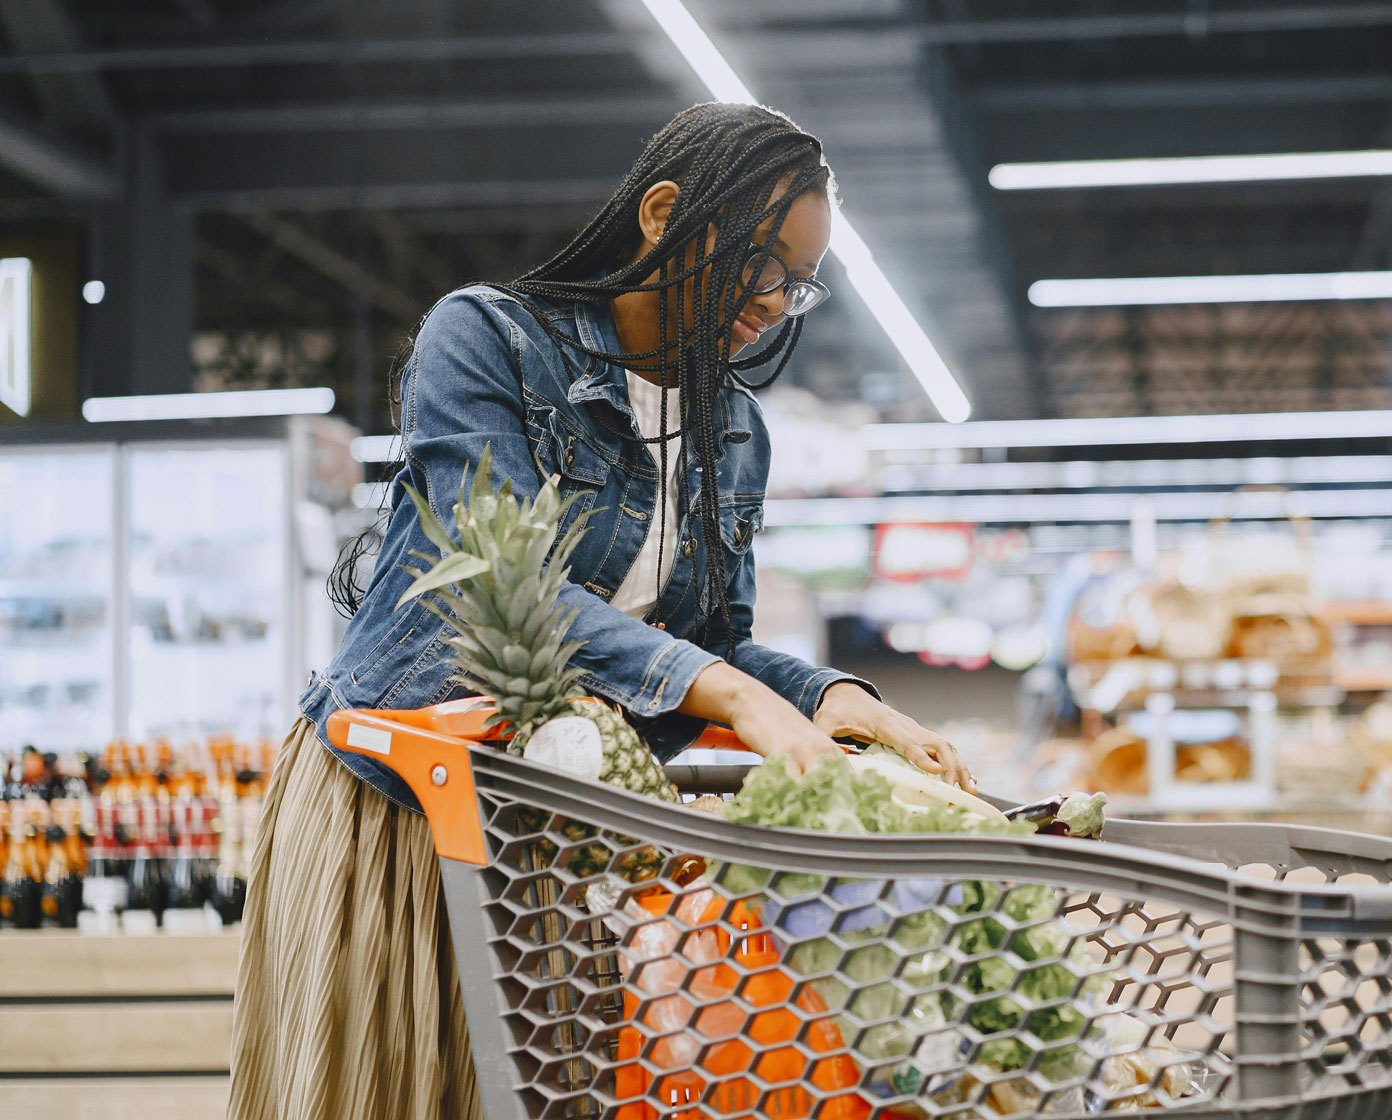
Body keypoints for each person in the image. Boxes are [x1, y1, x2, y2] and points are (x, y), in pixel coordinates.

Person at [230, 102, 977, 1120]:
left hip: (573, 822)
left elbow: (709, 643)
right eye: (764, 261)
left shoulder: (732, 427)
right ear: (665, 213)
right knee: (396, 1088)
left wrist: (836, 694)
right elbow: (496, 576)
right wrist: (730, 695)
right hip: (404, 798)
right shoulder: (485, 340)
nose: (775, 299)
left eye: (797, 282)